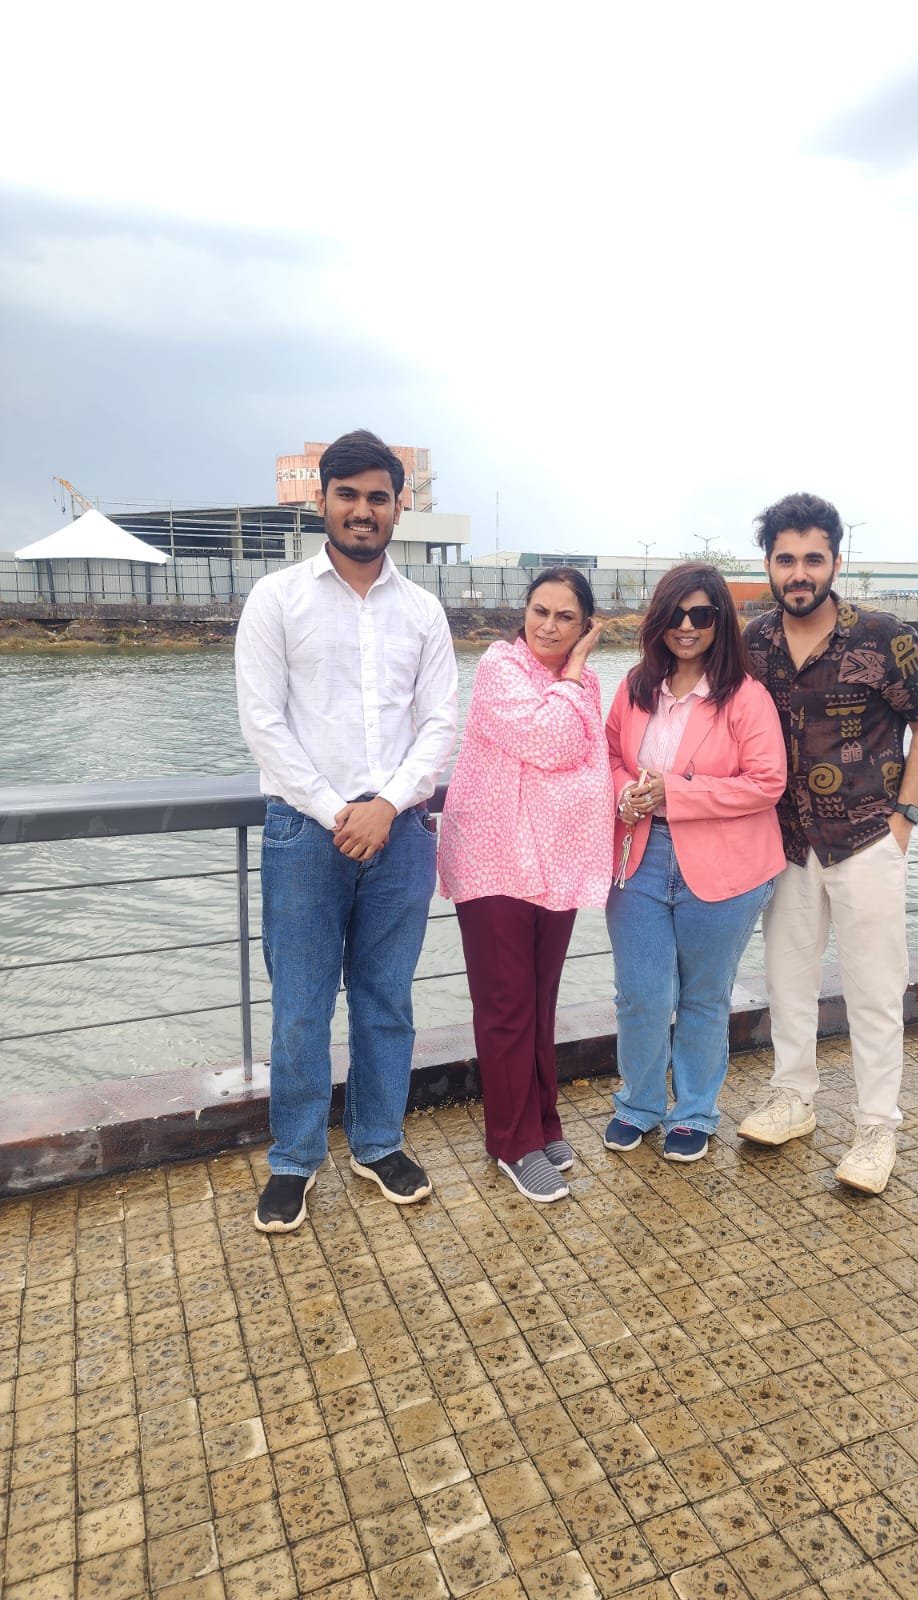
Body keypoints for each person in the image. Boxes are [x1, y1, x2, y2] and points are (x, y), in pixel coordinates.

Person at [235, 429, 457, 1233]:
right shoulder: (276, 599)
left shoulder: (423, 611)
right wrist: (339, 811)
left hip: (401, 832)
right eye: (349, 495)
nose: (364, 510)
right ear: (321, 500)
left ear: (399, 506)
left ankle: (377, 1141)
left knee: (385, 999)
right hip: (305, 832)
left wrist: (386, 807)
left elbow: (440, 724)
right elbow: (262, 724)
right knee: (300, 1007)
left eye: (378, 497)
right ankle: (295, 1158)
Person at [737, 492, 918, 1194]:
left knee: (875, 990)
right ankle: (793, 1098)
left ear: (835, 561)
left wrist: (904, 819)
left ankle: (876, 1128)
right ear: (769, 565)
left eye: (812, 558)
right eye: (785, 559)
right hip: (788, 843)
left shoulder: (883, 637)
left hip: (867, 839)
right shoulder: (753, 643)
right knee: (787, 981)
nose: (799, 573)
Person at [603, 563, 786, 1163]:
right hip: (639, 856)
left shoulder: (745, 697)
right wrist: (624, 792)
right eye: (676, 614)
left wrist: (676, 793)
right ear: (659, 619)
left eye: (701, 615)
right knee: (641, 994)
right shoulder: (635, 687)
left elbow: (767, 782)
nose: (687, 626)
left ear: (719, 621)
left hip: (725, 864)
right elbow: (607, 757)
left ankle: (694, 1112)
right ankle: (638, 1103)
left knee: (705, 997)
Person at [439, 568, 611, 1203]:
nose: (550, 626)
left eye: (566, 617)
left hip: (554, 861)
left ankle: (542, 1122)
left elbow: (588, 761)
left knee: (540, 999)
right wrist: (576, 670)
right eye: (541, 611)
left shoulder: (585, 684)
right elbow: (552, 741)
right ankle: (512, 1142)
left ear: (584, 623)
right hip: (494, 858)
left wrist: (575, 677)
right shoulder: (500, 666)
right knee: (507, 1004)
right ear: (525, 612)